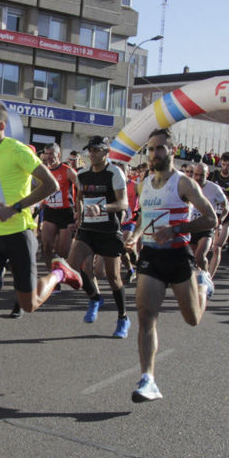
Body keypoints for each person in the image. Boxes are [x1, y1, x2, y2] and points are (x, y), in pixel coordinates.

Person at [0, 102, 81, 389]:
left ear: (1, 126)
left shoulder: (17, 150)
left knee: (29, 304)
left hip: (20, 233)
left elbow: (50, 186)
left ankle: (59, 272)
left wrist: (16, 207)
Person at [130, 128, 217, 402]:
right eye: (151, 149)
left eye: (160, 148)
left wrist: (178, 228)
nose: (154, 154)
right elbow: (143, 217)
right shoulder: (143, 183)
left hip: (179, 257)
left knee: (192, 319)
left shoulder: (184, 184)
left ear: (173, 151)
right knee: (146, 317)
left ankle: (203, 286)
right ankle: (148, 380)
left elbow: (211, 219)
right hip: (152, 258)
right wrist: (133, 237)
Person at [68, 136, 131, 337]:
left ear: (106, 152)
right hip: (87, 230)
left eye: (96, 150)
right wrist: (78, 215)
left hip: (109, 231)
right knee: (71, 267)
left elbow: (123, 204)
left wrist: (102, 207)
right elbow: (79, 197)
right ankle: (95, 296)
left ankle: (123, 317)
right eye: (90, 150)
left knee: (113, 278)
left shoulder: (115, 173)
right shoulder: (83, 174)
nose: (92, 154)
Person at [188, 162, 227, 290]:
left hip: (207, 227)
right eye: (196, 175)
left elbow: (225, 206)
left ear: (208, 174)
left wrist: (219, 221)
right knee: (194, 258)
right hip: (192, 226)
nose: (198, 178)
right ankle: (199, 278)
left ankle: (205, 279)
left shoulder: (214, 188)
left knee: (200, 256)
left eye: (202, 175)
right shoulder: (188, 187)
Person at [39, 142, 79, 265]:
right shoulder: (43, 170)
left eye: (51, 154)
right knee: (46, 247)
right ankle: (52, 274)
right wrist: (42, 202)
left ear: (59, 155)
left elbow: (81, 190)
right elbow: (42, 189)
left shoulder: (68, 171)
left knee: (62, 252)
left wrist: (79, 212)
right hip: (50, 211)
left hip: (66, 212)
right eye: (46, 154)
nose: (48, 157)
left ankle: (60, 271)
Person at [207, 153, 229, 279]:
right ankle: (202, 272)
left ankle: (210, 277)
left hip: (226, 217)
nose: (226, 167)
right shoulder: (213, 175)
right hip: (210, 215)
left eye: (228, 165)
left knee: (217, 247)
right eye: (223, 164)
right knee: (204, 248)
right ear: (220, 163)